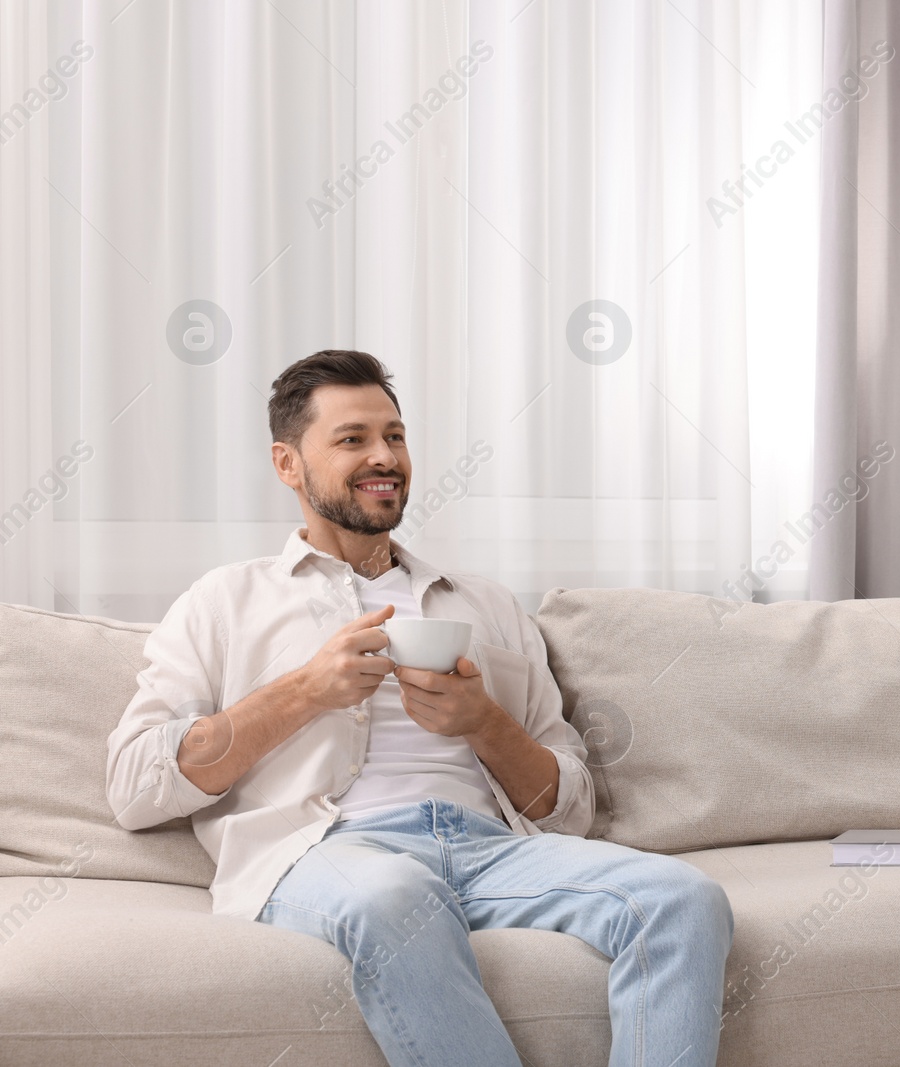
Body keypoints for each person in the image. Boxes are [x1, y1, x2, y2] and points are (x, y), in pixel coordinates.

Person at [106, 349, 734, 1067]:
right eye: (353, 439)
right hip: (328, 851)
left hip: (488, 848)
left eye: (395, 436)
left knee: (682, 899)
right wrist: (303, 692)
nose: (385, 456)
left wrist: (484, 722)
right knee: (397, 894)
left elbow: (570, 808)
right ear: (287, 463)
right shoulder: (225, 600)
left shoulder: (484, 603)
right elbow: (134, 783)